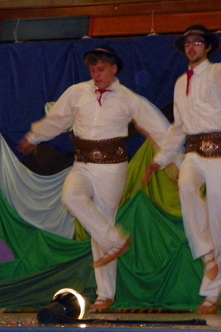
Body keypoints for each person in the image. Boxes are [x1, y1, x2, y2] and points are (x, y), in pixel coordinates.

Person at [18, 46, 172, 311]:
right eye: (92, 69)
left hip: (112, 167)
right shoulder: (77, 92)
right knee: (70, 197)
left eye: (101, 69)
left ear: (114, 69)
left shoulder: (128, 98)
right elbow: (56, 119)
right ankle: (116, 240)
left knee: (102, 221)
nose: (96, 74)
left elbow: (160, 127)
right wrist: (34, 137)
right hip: (83, 163)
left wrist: (165, 159)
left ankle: (105, 294)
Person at [143, 25, 221, 314]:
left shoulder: (216, 72)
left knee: (218, 218)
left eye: (197, 42)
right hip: (194, 152)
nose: (192, 47)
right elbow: (178, 128)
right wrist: (159, 160)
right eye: (188, 43)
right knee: (186, 186)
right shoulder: (181, 82)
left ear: (206, 47)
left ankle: (212, 294)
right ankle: (206, 254)